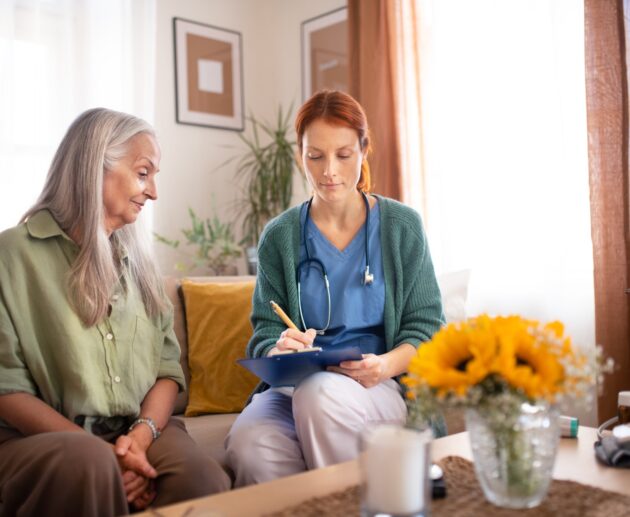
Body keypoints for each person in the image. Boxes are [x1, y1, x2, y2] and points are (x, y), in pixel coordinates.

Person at [0, 108, 230, 516]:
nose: (154, 192)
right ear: (94, 167)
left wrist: (139, 439)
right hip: (36, 439)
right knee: (88, 466)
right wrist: (102, 453)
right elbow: (6, 389)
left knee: (203, 479)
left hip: (137, 429)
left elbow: (167, 371)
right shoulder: (11, 257)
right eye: (144, 173)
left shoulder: (139, 262)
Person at [226, 90, 445, 487]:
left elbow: (427, 328)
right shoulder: (279, 237)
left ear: (364, 150)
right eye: (316, 156)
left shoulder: (401, 227)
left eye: (343, 155)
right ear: (300, 154)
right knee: (249, 445)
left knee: (320, 395)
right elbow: (264, 332)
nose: (329, 170)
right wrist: (279, 347)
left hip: (379, 386)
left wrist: (384, 366)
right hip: (296, 388)